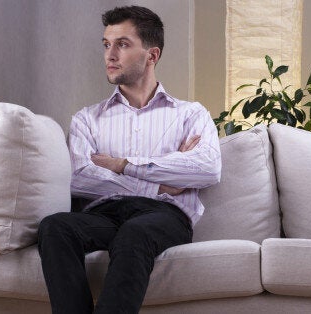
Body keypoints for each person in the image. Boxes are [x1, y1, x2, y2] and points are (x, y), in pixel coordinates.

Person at [37, 6, 221, 314]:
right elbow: (79, 176)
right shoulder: (87, 119)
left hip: (163, 217)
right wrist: (160, 184)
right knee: (55, 227)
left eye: (122, 44)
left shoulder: (190, 114)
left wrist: (123, 164)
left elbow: (207, 168)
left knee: (134, 233)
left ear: (152, 55)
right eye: (107, 44)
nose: (110, 55)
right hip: (105, 215)